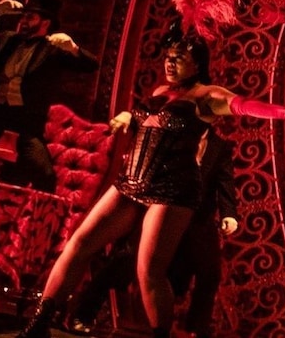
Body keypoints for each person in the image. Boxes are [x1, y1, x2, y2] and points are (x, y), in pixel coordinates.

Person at [15, 0, 285, 338]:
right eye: (169, 56)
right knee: (79, 243)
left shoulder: (207, 97)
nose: (170, 63)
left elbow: (247, 105)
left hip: (173, 191)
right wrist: (128, 116)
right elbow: (148, 123)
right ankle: (40, 323)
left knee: (148, 270)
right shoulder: (159, 91)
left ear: (198, 62)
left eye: (179, 57)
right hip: (131, 182)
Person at [66, 128, 239, 338]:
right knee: (127, 258)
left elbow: (225, 182)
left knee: (210, 272)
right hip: (162, 211)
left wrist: (229, 214)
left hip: (197, 218)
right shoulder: (172, 134)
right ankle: (83, 313)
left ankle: (197, 330)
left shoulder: (219, 146)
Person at [0, 0, 98, 192]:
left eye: (30, 17)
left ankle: (36, 219)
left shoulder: (52, 49)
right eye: (23, 16)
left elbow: (91, 65)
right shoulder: (7, 39)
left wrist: (74, 48)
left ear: (46, 22)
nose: (23, 21)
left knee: (45, 175)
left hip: (25, 122)